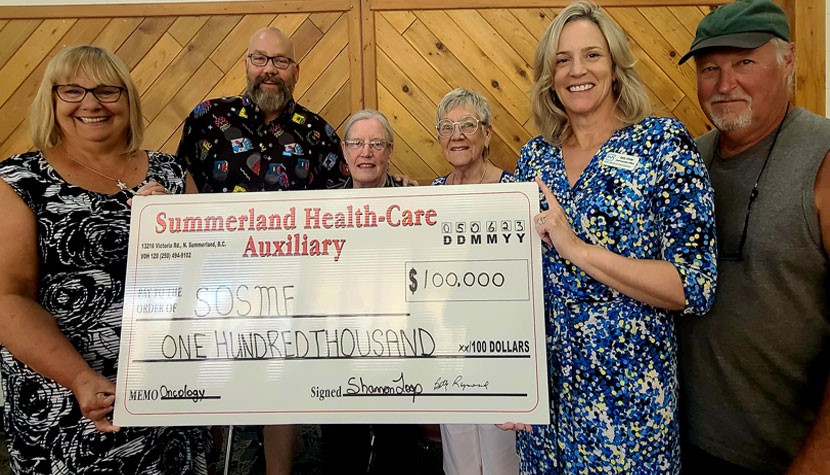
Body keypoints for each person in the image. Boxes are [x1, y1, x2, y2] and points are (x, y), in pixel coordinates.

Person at [500, 1, 717, 473]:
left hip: (628, 413)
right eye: (562, 60)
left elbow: (693, 285)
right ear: (549, 76)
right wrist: (508, 380)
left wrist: (577, 250)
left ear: (615, 66)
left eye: (592, 55)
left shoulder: (662, 144)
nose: (577, 70)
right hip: (546, 415)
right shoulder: (535, 158)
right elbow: (512, 279)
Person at [0, 45, 209, 474]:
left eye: (107, 91)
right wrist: (79, 378)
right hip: (68, 403)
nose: (91, 103)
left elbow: (211, 277)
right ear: (52, 99)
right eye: (72, 90)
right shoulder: (19, 181)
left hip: (170, 394)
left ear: (128, 99)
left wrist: (180, 228)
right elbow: (9, 298)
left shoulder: (171, 174)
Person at [176, 26, 344, 475]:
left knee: (280, 386)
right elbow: (182, 187)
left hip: (291, 288)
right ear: (246, 65)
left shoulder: (319, 133)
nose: (270, 70)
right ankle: (212, 465)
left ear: (296, 71)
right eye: (260, 59)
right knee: (210, 381)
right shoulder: (208, 118)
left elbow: (341, 210)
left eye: (281, 61)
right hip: (215, 284)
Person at [676, 1, 830, 473]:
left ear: (789, 61)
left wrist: (815, 462)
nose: (725, 84)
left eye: (745, 62)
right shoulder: (685, 162)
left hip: (784, 457)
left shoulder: (823, 157)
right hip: (680, 443)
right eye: (710, 69)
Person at [320, 109, 420, 475]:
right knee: (342, 453)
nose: (366, 152)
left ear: (389, 151)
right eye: (357, 143)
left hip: (400, 349)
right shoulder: (320, 208)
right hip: (336, 350)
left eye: (376, 144)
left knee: (397, 452)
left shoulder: (414, 203)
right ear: (344, 152)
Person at [430, 88, 519, 475]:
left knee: (503, 456)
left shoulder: (514, 192)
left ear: (487, 132)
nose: (457, 135)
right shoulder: (430, 197)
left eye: (468, 125)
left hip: (503, 345)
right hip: (448, 344)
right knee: (459, 456)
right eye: (447, 127)